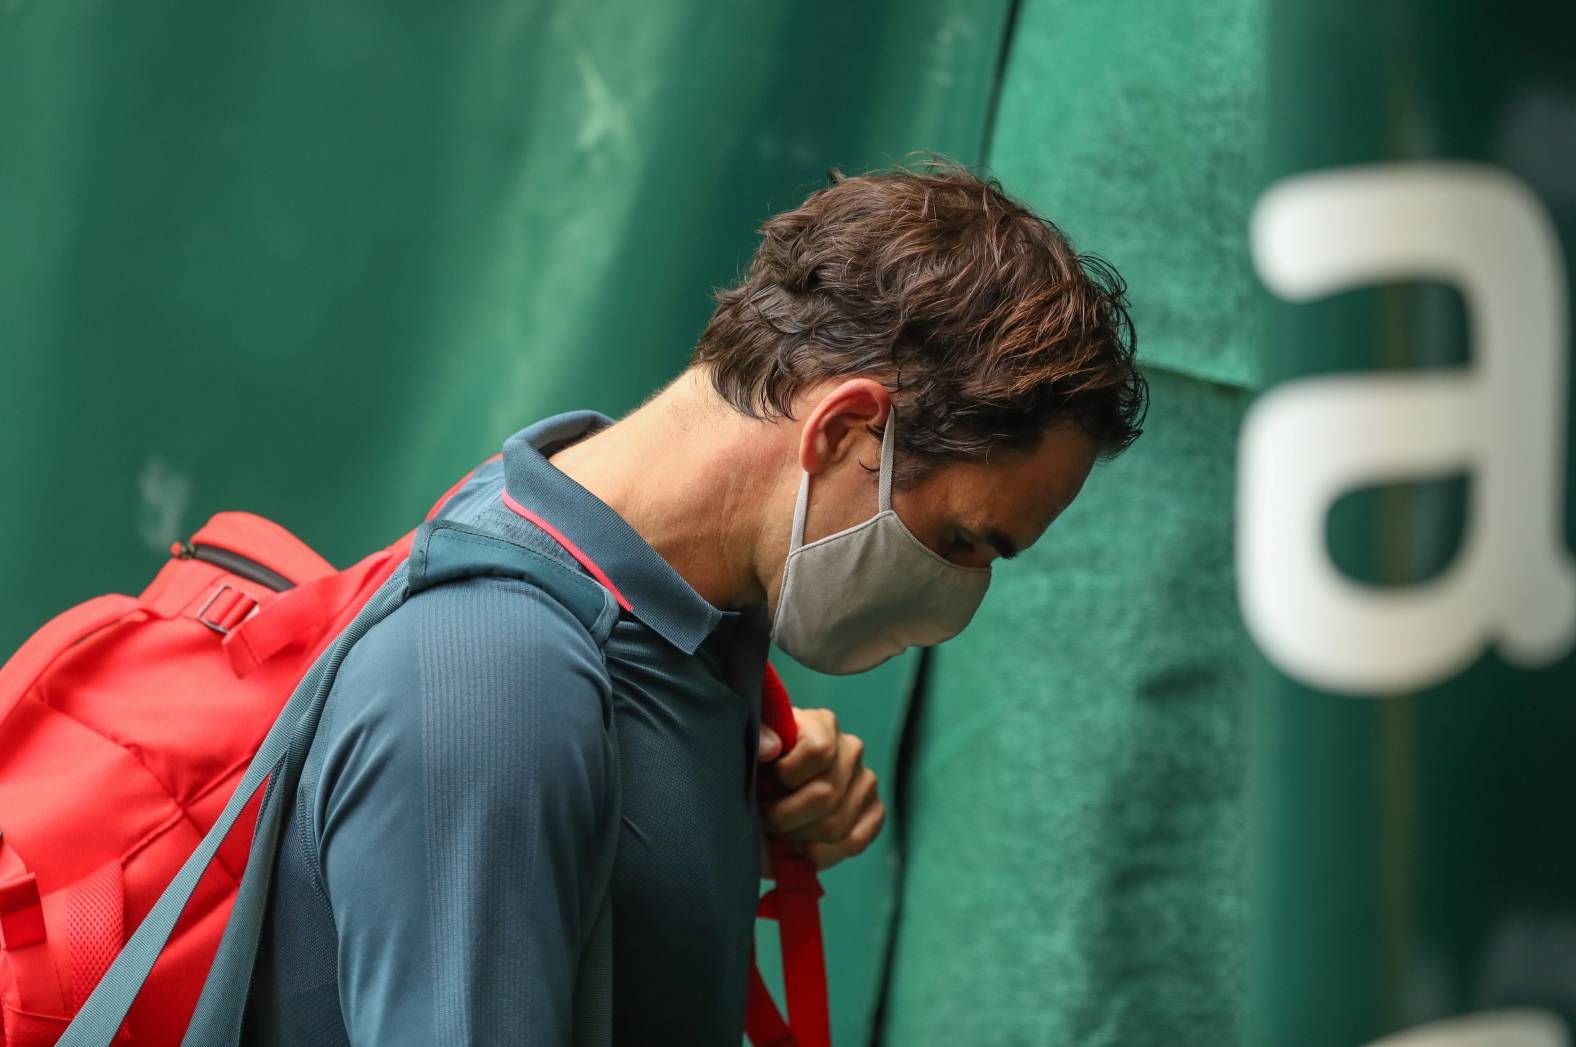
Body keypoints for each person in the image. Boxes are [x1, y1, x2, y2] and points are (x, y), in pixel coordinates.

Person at [244, 158, 1145, 1045]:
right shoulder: (493, 685)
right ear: (842, 431)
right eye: (961, 540)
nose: (961, 593)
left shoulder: (667, 618)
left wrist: (731, 821)